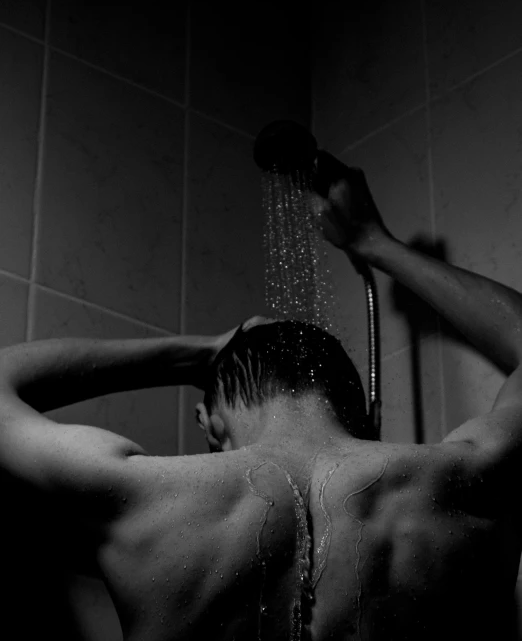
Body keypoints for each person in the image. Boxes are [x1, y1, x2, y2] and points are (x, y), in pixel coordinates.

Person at [1, 163, 521, 641]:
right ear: (359, 412)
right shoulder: (466, 479)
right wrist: (376, 243)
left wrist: (201, 354)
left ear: (211, 423)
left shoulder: (137, 496)